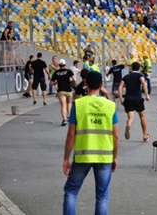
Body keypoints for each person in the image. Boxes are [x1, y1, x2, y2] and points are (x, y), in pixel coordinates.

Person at [63, 71, 119, 215]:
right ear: (101, 85)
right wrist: (114, 157)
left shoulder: (79, 104)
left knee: (71, 192)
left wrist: (66, 158)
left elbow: (71, 135)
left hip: (83, 156)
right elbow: (116, 136)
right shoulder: (110, 106)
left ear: (85, 84)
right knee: (102, 196)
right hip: (104, 157)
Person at [118, 62, 150, 142]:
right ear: (139, 68)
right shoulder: (140, 75)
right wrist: (146, 94)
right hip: (137, 99)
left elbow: (120, 87)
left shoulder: (126, 76)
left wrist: (121, 99)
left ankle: (128, 125)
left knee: (130, 118)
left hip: (128, 98)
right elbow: (143, 83)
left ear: (131, 68)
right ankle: (145, 135)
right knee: (142, 116)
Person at [51, 59, 76, 126]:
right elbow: (74, 79)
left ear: (59, 65)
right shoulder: (69, 71)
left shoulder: (56, 72)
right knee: (69, 103)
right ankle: (69, 116)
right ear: (65, 64)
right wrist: (69, 82)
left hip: (61, 91)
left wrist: (57, 82)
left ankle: (64, 119)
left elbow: (52, 83)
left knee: (63, 105)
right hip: (68, 90)